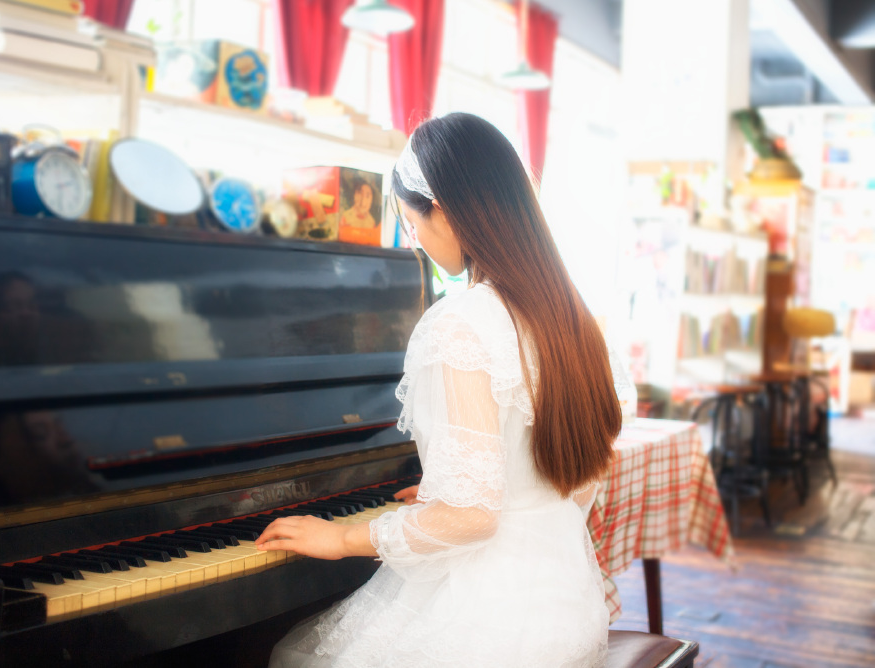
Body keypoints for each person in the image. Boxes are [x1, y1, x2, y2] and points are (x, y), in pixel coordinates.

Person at [257, 113, 622, 667]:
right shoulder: (575, 319)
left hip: (490, 625)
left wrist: (344, 538)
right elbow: (580, 476)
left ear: (445, 212)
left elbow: (471, 518)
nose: (416, 241)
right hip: (567, 608)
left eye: (411, 222)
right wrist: (466, 489)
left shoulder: (461, 324)